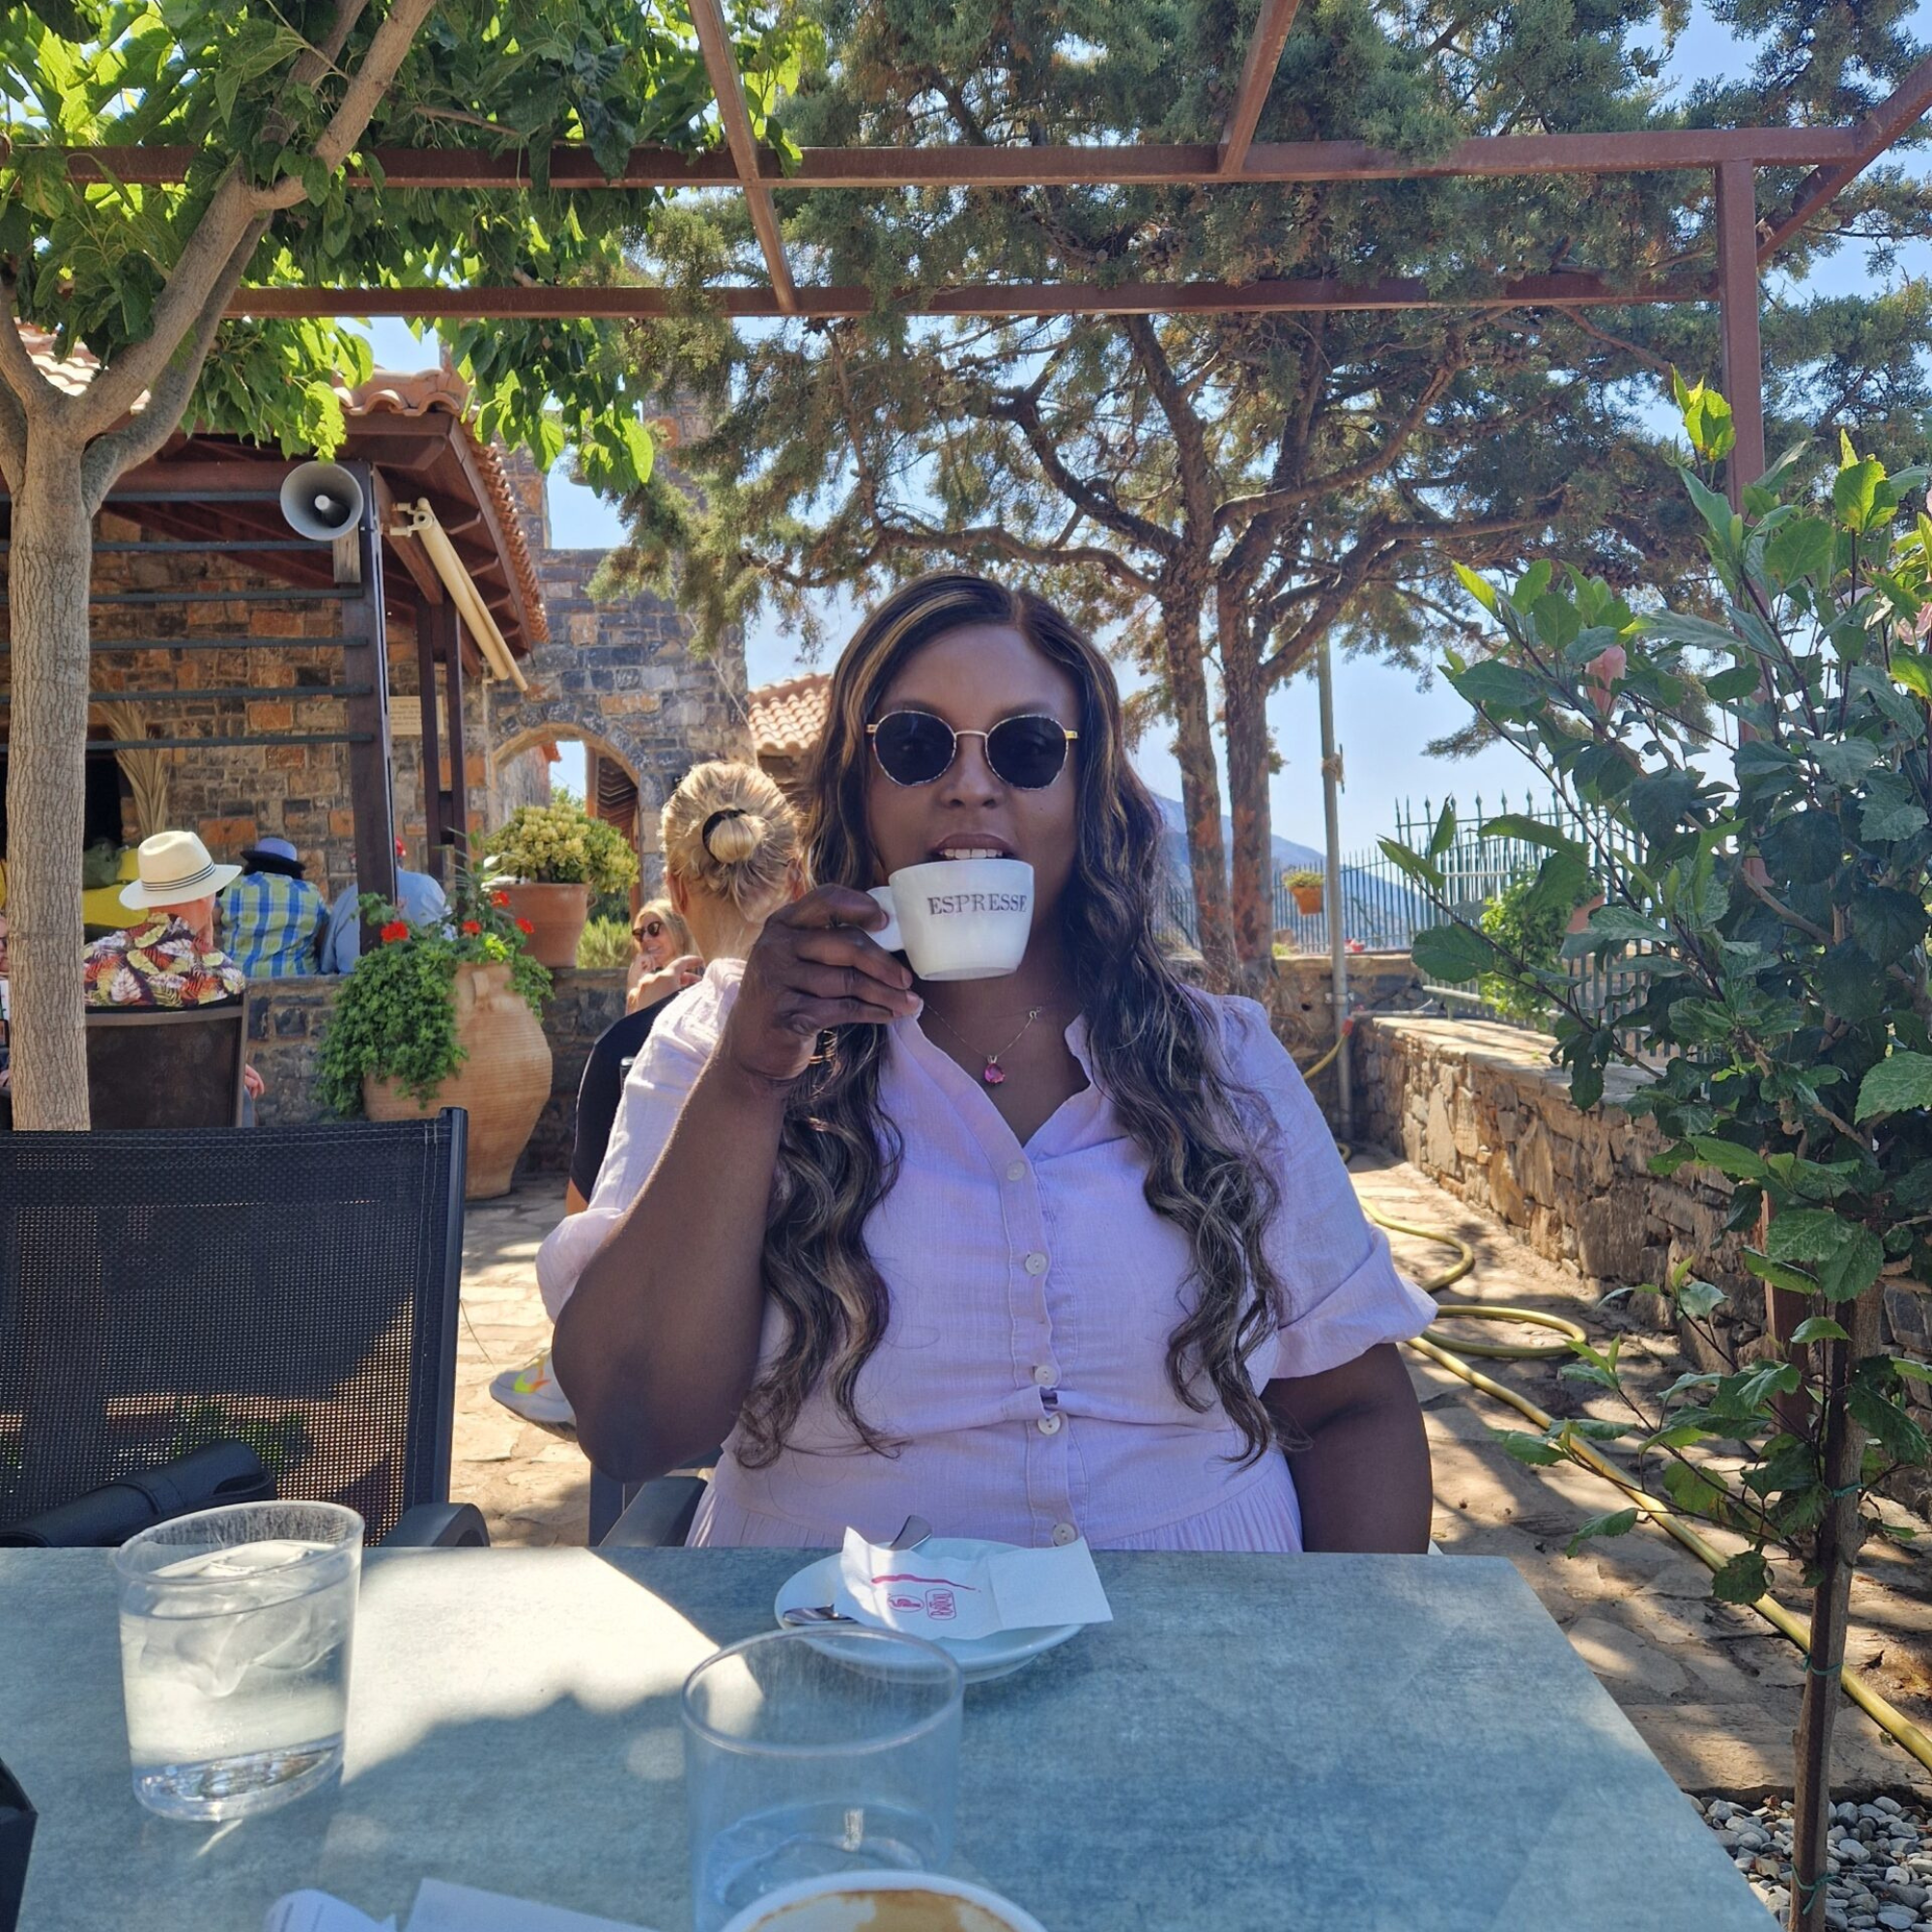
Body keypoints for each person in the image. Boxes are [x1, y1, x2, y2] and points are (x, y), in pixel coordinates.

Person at [552, 573, 1435, 1553]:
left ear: (1083, 789)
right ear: (858, 781)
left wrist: (1333, 1673)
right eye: (916, 743)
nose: (970, 783)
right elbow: (632, 1424)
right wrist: (752, 1078)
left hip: (1207, 1660)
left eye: (1022, 748)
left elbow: (1354, 1402)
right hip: (837, 1664)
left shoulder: (1219, 1060)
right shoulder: (721, 1039)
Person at [497, 763, 801, 1428]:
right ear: (796, 879)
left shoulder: (656, 1045)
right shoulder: (867, 1025)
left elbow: (600, 1274)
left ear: (676, 891)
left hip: (693, 1401)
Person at [81, 830, 265, 1105]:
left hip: (108, 1133)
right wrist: (207, 949)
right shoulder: (225, 976)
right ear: (206, 897)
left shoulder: (91, 962)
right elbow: (219, 1062)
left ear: (147, 898)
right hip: (192, 1135)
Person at [320, 838, 449, 973]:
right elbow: (450, 943)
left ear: (361, 865)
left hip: (356, 988)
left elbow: (327, 965)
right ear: (401, 861)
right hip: (424, 982)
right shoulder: (427, 886)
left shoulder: (345, 899)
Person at [218, 836, 327, 978]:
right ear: (292, 868)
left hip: (239, 980)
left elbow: (205, 921)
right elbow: (323, 936)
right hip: (299, 980)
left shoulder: (234, 887)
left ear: (254, 863)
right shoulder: (310, 893)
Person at [626, 897, 697, 1014]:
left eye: (653, 929)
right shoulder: (652, 986)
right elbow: (632, 1030)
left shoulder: (701, 980)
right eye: (640, 933)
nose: (645, 939)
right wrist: (633, 985)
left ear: (678, 932)